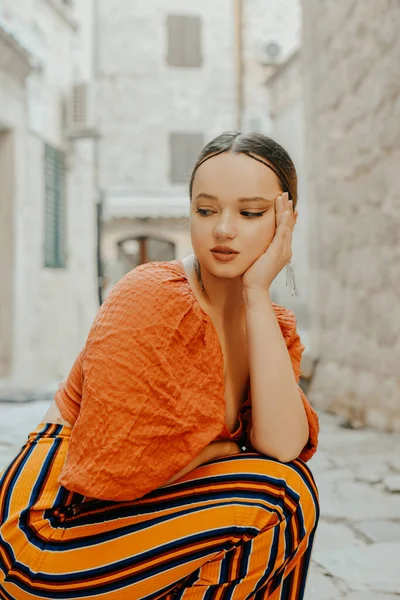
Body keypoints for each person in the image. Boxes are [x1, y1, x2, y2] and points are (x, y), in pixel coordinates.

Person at [0, 131, 319, 599]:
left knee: (290, 488)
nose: (224, 229)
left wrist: (255, 293)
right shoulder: (150, 296)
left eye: (250, 213)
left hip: (130, 533)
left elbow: (283, 446)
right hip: (47, 535)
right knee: (279, 498)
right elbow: (117, 474)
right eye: (205, 210)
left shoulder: (269, 325)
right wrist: (226, 452)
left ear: (286, 222)